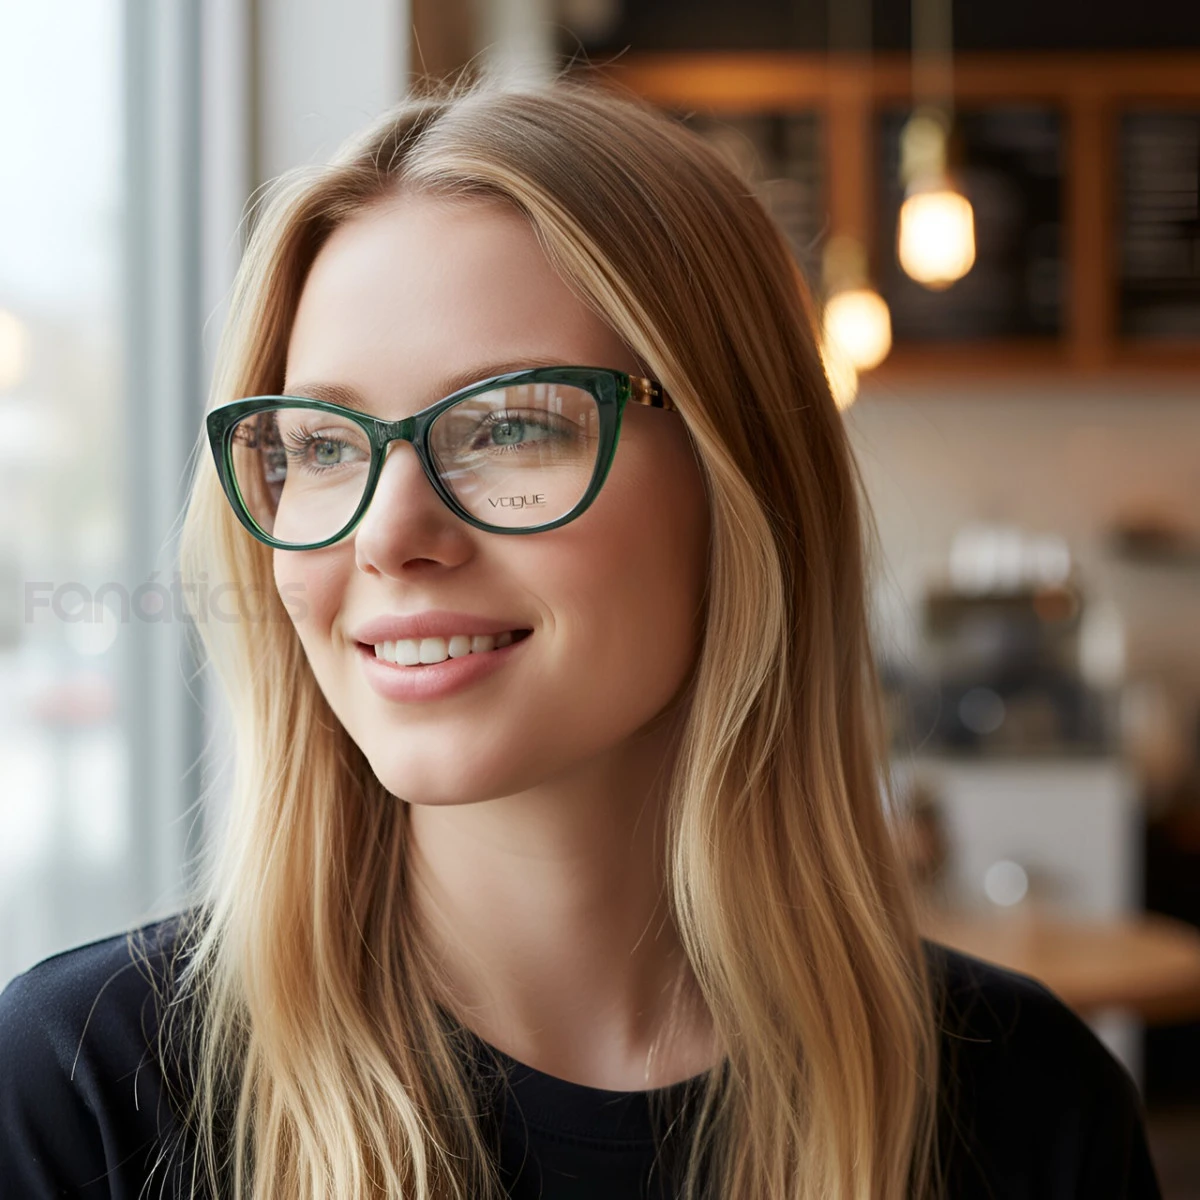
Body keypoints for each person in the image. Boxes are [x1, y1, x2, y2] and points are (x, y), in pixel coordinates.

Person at [0, 80, 1162, 1200]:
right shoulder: (80, 1101)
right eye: (319, 446)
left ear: (737, 477)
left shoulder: (1030, 1110)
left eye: (510, 425)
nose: (389, 535)